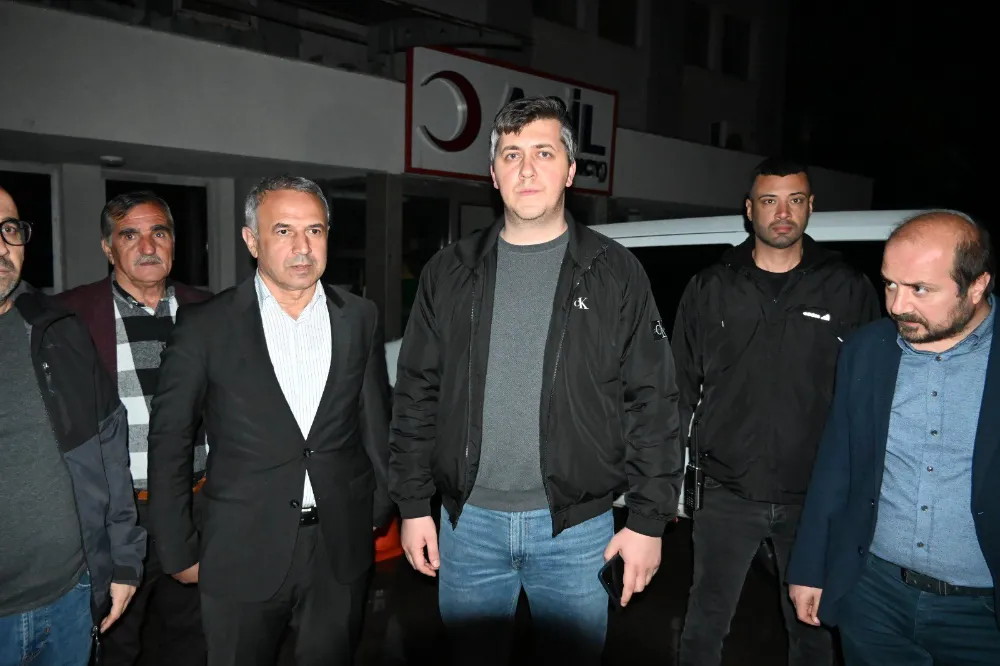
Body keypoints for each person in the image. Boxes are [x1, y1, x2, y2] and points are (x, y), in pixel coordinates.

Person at [389, 96, 682, 666]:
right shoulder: (448, 272)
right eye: (511, 154)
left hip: (577, 531)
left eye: (544, 153)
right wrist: (413, 505)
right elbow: (416, 393)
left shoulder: (615, 271)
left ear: (570, 170)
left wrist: (649, 522)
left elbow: (652, 401)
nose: (526, 169)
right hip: (467, 526)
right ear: (492, 173)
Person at [147, 175, 394, 666]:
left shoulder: (360, 316)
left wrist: (378, 508)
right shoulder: (205, 325)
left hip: (339, 546)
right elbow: (170, 439)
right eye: (283, 231)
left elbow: (373, 421)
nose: (303, 247)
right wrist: (177, 549)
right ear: (251, 240)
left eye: (315, 231)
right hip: (240, 548)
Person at [672, 157, 881, 666]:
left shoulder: (847, 287)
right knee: (704, 626)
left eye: (795, 200)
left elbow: (872, 396)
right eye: (770, 201)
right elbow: (676, 388)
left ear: (810, 207)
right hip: (726, 491)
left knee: (813, 632)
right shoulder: (711, 286)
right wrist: (664, 482)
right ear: (750, 210)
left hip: (816, 496)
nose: (782, 213)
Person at [788, 210, 1000, 665]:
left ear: (977, 286)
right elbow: (836, 465)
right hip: (873, 596)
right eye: (889, 284)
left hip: (983, 614)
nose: (897, 305)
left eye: (920, 289)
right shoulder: (867, 349)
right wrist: (810, 567)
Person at [56, 191, 210, 666]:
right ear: (108, 248)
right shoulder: (68, 316)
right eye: (130, 235)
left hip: (199, 504)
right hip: (118, 515)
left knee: (196, 637)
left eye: (159, 232)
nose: (147, 246)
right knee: (115, 642)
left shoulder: (211, 310)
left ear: (173, 242)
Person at [0, 187, 145, 665]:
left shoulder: (57, 326)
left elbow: (108, 446)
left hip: (70, 597)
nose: (1, 245)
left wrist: (123, 561)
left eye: (8, 228)